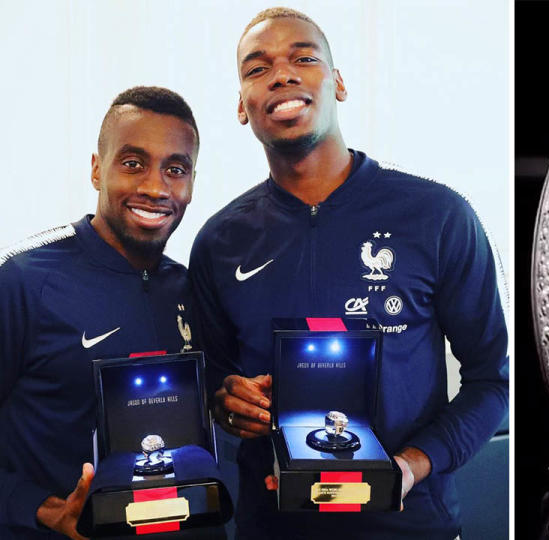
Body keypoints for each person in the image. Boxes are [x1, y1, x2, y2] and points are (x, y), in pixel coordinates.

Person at [189, 7, 508, 539]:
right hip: (273, 527)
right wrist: (229, 404)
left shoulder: (437, 215)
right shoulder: (219, 242)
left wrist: (411, 465)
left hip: (412, 527)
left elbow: (491, 382)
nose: (283, 75)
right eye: (256, 68)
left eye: (304, 58)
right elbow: (216, 392)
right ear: (242, 106)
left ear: (337, 83)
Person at [0, 87, 200, 539]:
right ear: (97, 169)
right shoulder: (23, 279)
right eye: (133, 164)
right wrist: (46, 510)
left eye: (176, 169)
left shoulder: (188, 288)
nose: (155, 187)